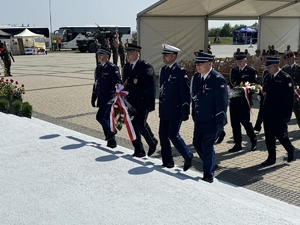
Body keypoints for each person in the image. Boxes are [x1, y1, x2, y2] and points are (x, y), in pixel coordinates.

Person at [190, 52, 228, 183]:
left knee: (207, 146)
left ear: (209, 63)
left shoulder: (218, 80)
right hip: (200, 119)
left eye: (201, 63)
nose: (198, 66)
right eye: (197, 63)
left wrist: (220, 123)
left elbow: (222, 104)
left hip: (212, 121)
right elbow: (195, 98)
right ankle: (210, 162)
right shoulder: (196, 77)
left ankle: (208, 174)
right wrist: (193, 113)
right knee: (196, 143)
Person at [159, 44, 193, 171]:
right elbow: (162, 91)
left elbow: (185, 92)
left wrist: (185, 110)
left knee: (173, 135)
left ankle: (187, 155)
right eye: (163, 54)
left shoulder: (180, 71)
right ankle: (167, 161)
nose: (164, 57)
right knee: (163, 135)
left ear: (174, 56)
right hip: (165, 109)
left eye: (166, 55)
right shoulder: (164, 70)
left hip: (175, 109)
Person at [122, 43, 158, 157]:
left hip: (142, 102)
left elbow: (151, 87)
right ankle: (138, 150)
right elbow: (125, 84)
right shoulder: (127, 67)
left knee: (140, 124)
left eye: (130, 53)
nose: (127, 55)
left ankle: (152, 142)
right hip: (130, 102)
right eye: (127, 53)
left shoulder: (145, 67)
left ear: (138, 54)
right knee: (132, 125)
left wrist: (150, 105)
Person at [260, 57, 295, 166]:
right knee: (268, 136)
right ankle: (271, 158)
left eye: (269, 67)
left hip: (279, 113)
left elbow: (289, 99)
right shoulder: (267, 77)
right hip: (268, 112)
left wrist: (287, 115)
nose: (268, 69)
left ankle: (290, 149)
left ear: (276, 65)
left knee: (280, 135)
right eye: (267, 67)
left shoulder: (285, 78)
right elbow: (264, 91)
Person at [91, 45, 121, 148]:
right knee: (106, 119)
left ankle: (112, 132)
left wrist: (115, 98)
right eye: (98, 54)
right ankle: (111, 141)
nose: (99, 56)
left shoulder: (112, 68)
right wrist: (94, 96)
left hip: (109, 98)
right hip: (101, 97)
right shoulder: (98, 68)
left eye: (101, 54)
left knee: (100, 117)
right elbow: (96, 83)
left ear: (107, 56)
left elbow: (118, 84)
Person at [228, 52, 257, 152]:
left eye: (241, 61)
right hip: (233, 100)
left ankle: (253, 140)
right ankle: (237, 144)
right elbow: (231, 84)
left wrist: (246, 89)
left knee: (245, 122)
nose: (239, 63)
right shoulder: (234, 71)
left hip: (244, 101)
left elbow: (255, 86)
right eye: (237, 61)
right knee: (234, 123)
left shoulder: (251, 71)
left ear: (246, 60)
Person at [282, 52, 300, 131]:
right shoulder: (284, 69)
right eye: (286, 59)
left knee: (298, 113)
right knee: (284, 113)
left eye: (289, 59)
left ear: (293, 58)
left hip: (296, 95)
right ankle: (283, 131)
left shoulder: (298, 68)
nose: (287, 61)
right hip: (287, 95)